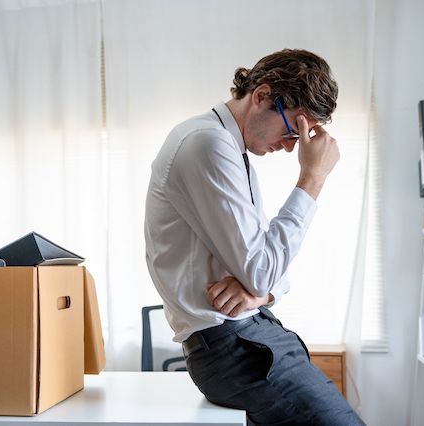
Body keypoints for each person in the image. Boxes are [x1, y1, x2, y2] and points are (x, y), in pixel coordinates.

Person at [144, 48, 365, 425]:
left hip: (252, 333)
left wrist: (260, 292)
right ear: (262, 96)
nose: (292, 147)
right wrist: (313, 178)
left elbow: (268, 270)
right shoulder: (207, 144)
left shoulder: (230, 149)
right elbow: (263, 267)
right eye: (291, 130)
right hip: (233, 347)